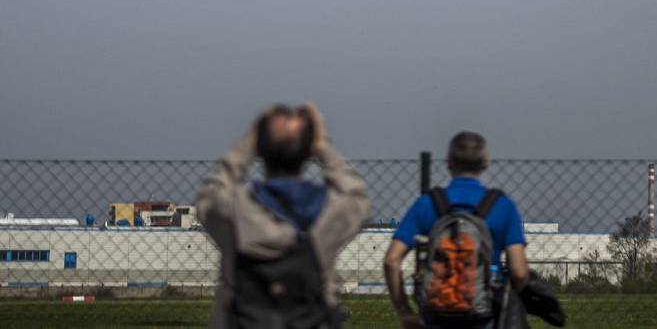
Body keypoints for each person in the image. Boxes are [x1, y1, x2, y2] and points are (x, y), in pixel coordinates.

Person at [197, 103, 372, 328]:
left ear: (260, 147)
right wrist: (323, 144)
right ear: (308, 151)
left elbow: (210, 196)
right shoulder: (328, 213)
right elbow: (357, 197)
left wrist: (247, 145)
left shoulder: (234, 210)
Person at [384, 131, 530, 329]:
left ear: (449, 161)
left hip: (436, 314)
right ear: (485, 162)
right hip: (483, 314)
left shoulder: (427, 204)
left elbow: (392, 260)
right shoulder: (502, 206)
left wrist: (404, 311)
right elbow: (519, 272)